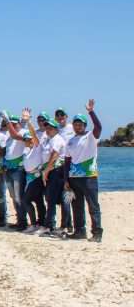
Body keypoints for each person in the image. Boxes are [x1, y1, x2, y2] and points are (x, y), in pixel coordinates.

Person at [65, 100, 103, 242]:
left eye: (80, 124)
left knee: (93, 205)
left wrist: (91, 112)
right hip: (74, 178)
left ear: (85, 125)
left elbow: (98, 126)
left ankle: (97, 233)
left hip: (89, 177)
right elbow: (67, 162)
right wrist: (66, 180)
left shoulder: (91, 136)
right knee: (77, 205)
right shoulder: (70, 141)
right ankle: (80, 231)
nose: (78, 126)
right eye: (75, 124)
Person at [40, 119, 72, 238]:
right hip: (54, 171)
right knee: (55, 199)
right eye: (46, 128)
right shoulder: (50, 139)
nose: (48, 130)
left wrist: (46, 171)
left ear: (56, 129)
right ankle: (61, 225)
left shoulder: (57, 139)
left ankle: (51, 226)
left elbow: (54, 156)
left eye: (50, 128)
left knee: (53, 200)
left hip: (57, 171)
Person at [1, 109, 30, 230]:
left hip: (18, 169)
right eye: (11, 124)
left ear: (19, 123)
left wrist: (7, 120)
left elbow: (16, 135)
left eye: (14, 123)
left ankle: (23, 222)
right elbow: (7, 152)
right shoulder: (9, 136)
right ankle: (19, 220)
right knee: (13, 197)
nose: (12, 126)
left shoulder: (24, 132)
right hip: (8, 169)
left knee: (19, 197)